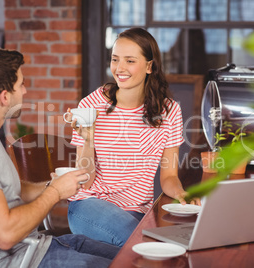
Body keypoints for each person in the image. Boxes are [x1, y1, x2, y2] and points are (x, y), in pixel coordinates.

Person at [0, 46, 120, 268]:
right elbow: (4, 234)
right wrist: (54, 193)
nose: (25, 91)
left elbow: (9, 191)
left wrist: (53, 185)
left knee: (131, 257)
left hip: (39, 247)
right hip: (20, 261)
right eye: (20, 85)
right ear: (4, 97)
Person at [65, 27, 200, 247]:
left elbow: (168, 177)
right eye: (115, 59)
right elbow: (85, 181)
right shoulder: (91, 106)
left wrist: (181, 194)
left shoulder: (169, 111)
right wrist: (88, 139)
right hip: (89, 206)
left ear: (149, 66)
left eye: (130, 61)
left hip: (137, 212)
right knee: (150, 245)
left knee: (147, 245)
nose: (120, 68)